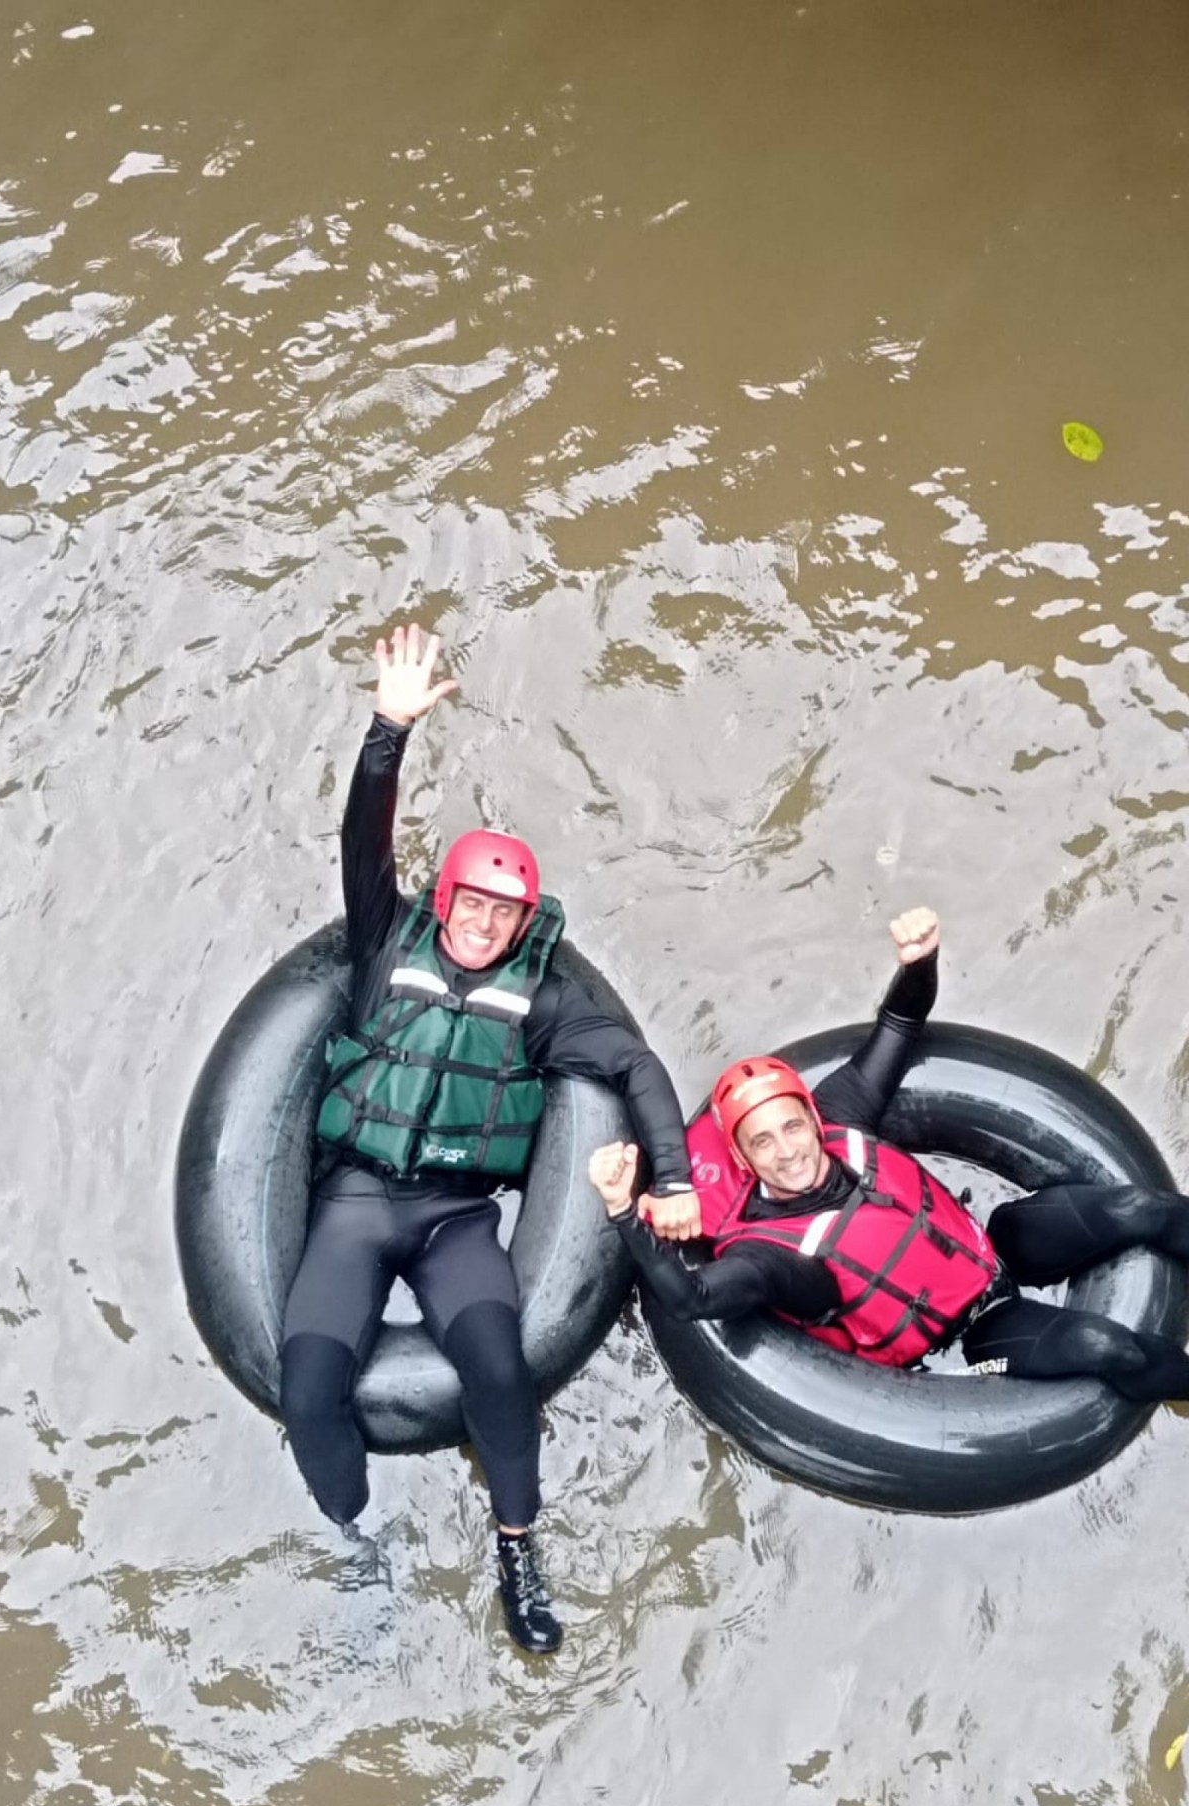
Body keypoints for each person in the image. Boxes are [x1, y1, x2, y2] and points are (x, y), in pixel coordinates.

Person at [279, 622, 700, 1657]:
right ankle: (357, 1548)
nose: (481, 921)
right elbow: (361, 842)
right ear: (448, 897)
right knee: (307, 1384)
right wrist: (390, 729)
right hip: (354, 1203)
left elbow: (636, 1068)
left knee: (501, 1373)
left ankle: (518, 1549)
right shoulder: (387, 940)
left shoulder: (546, 1003)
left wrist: (678, 1178)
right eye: (471, 901)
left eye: (502, 912)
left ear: (522, 923)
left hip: (455, 1219)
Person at [589, 907, 1189, 1401]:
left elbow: (901, 1022)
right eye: (762, 1142)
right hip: (968, 1341)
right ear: (743, 1161)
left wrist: (919, 960)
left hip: (992, 1246)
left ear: (811, 1117)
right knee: (1110, 1349)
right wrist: (623, 1212)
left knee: (1141, 1209)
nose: (787, 1152)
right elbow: (690, 1299)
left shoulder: (843, 1116)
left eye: (792, 1128)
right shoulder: (772, 1259)